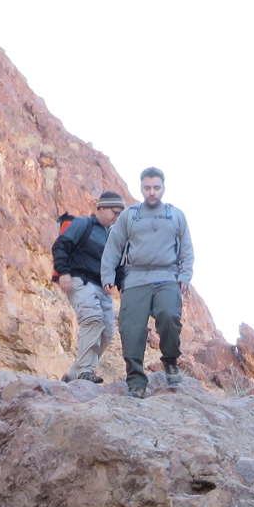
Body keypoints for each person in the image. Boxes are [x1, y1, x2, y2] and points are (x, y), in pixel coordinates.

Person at [101, 167, 194, 399]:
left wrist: (185, 275)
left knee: (169, 317)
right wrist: (107, 275)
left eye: (156, 188)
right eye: (147, 188)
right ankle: (136, 382)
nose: (152, 192)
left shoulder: (175, 215)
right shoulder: (130, 216)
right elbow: (113, 246)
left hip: (167, 277)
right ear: (141, 188)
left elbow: (186, 248)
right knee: (131, 329)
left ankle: (170, 361)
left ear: (163, 188)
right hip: (136, 278)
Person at [54, 191, 125, 383]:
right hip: (79, 280)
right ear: (101, 208)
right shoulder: (83, 224)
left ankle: (73, 374)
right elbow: (61, 246)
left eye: (120, 214)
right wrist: (63, 272)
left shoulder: (113, 235)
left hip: (102, 288)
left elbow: (117, 266)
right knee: (93, 319)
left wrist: (123, 289)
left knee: (107, 332)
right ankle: (85, 371)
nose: (117, 217)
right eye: (114, 212)